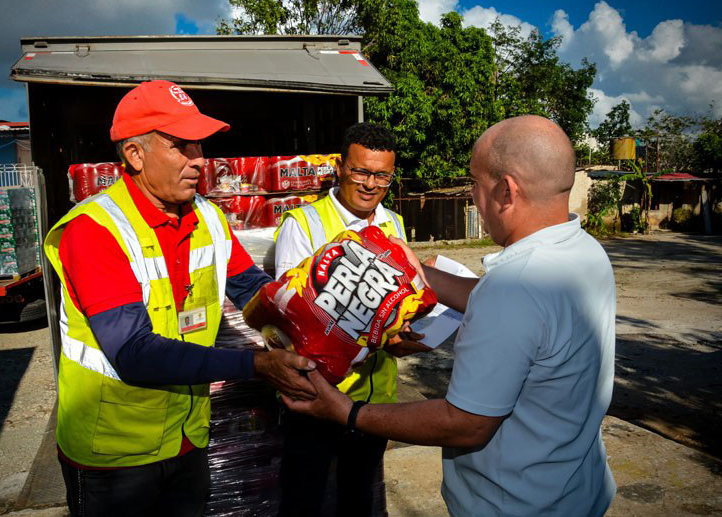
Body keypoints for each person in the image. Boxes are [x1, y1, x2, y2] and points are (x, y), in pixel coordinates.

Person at [284, 115, 617, 516]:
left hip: (514, 503)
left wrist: (347, 412)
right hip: (575, 488)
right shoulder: (584, 251)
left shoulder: (516, 287)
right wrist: (422, 273)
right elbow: (505, 301)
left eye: (474, 184)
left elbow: (465, 423)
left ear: (506, 191)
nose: (473, 195)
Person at [43, 80, 317, 517]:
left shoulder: (206, 216)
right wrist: (257, 364)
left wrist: (325, 317)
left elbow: (251, 290)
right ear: (134, 155)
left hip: (186, 437)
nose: (199, 160)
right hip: (115, 455)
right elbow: (133, 352)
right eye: (180, 146)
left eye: (200, 145)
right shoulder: (93, 231)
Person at [274, 122, 429, 516]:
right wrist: (379, 336)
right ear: (340, 167)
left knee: (360, 502)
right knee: (306, 502)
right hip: (314, 396)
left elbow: (398, 298)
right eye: (361, 171)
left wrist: (405, 330)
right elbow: (294, 318)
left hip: (374, 400)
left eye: (381, 175)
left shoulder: (392, 223)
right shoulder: (302, 224)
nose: (370, 184)